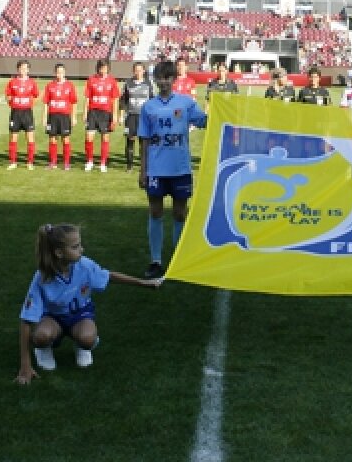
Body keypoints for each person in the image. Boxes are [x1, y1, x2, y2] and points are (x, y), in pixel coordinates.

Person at [15, 223, 160, 384]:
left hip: (80, 315)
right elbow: (26, 320)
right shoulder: (42, 278)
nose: (81, 249)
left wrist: (143, 283)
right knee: (41, 336)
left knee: (87, 339)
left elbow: (109, 276)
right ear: (59, 253)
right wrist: (25, 365)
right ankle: (43, 349)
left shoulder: (84, 265)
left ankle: (82, 346)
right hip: (52, 318)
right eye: (76, 246)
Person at [138, 59, 208, 279]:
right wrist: (143, 170)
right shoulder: (149, 107)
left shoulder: (186, 103)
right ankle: (156, 260)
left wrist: (223, 108)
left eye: (168, 77)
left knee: (180, 213)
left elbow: (205, 121)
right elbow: (145, 140)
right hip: (157, 170)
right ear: (156, 80)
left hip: (180, 168)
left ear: (174, 79)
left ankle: (178, 260)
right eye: (160, 78)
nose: (164, 82)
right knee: (156, 212)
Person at [84, 59, 120, 172]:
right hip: (93, 112)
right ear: (98, 68)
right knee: (89, 137)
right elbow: (87, 98)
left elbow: (115, 99)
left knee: (105, 137)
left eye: (105, 67)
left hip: (106, 113)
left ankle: (103, 163)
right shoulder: (91, 79)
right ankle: (89, 161)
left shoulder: (112, 81)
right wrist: (85, 113)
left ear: (108, 68)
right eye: (101, 67)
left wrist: (114, 115)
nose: (103, 70)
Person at [6, 60, 40, 170]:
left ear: (28, 70)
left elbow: (36, 96)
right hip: (15, 113)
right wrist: (12, 103)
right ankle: (12, 162)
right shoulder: (12, 82)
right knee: (13, 138)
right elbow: (8, 96)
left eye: (25, 68)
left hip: (27, 113)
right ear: (18, 69)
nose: (23, 70)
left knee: (30, 138)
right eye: (21, 68)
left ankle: (30, 162)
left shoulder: (32, 82)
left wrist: (29, 104)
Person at [43, 63, 78, 170]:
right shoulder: (50, 85)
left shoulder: (70, 85)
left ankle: (66, 163)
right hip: (52, 116)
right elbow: (46, 102)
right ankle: (52, 162)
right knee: (52, 139)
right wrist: (44, 117)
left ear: (64, 73)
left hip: (65, 116)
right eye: (58, 72)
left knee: (65, 139)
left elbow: (74, 102)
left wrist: (74, 117)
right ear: (55, 73)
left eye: (62, 72)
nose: (60, 74)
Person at [119, 62, 152, 172]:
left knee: (143, 142)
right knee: (130, 140)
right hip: (131, 116)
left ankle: (144, 166)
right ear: (133, 71)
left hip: (144, 117)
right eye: (136, 70)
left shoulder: (149, 83)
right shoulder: (128, 83)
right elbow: (123, 100)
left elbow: (152, 100)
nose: (138, 72)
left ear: (143, 71)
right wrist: (121, 114)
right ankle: (129, 165)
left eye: (140, 70)